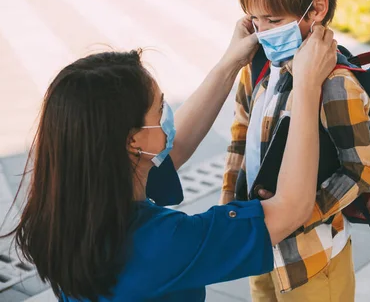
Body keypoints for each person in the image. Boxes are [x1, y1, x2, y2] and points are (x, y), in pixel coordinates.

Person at [1, 17, 337, 301]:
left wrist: (228, 65)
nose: (168, 114)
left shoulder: (66, 212)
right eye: (160, 107)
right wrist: (307, 86)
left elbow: (170, 151)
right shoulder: (163, 243)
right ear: (134, 142)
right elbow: (290, 208)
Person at [220, 0, 370, 301]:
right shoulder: (256, 66)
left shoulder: (336, 83)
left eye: (273, 20)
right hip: (260, 252)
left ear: (316, 9)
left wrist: (297, 216)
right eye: (254, 20)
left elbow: (361, 168)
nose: (261, 32)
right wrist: (229, 209)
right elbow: (239, 139)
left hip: (314, 259)